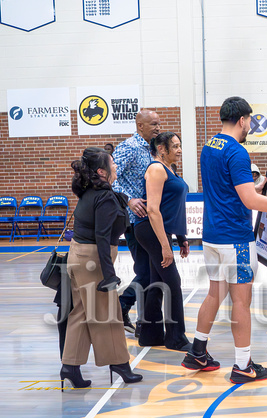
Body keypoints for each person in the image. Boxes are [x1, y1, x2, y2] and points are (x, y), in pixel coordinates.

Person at [181, 97, 267, 384]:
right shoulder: (237, 152)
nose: (251, 125)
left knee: (215, 293)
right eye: (250, 120)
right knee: (241, 301)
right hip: (235, 238)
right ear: (242, 120)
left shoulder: (209, 145)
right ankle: (243, 366)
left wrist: (264, 183)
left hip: (212, 236)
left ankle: (197, 352)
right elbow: (249, 200)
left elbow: (231, 188)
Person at [60, 147, 142, 388]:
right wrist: (110, 276)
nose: (116, 166)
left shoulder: (90, 192)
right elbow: (103, 238)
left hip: (78, 256)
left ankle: (70, 366)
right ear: (101, 171)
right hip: (93, 260)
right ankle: (119, 363)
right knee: (107, 314)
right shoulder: (104, 197)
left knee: (81, 313)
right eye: (113, 163)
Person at [134, 132, 191, 351]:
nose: (179, 150)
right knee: (173, 282)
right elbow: (153, 210)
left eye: (180, 145)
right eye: (174, 146)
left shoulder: (170, 169)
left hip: (162, 231)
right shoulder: (156, 169)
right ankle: (176, 338)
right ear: (161, 148)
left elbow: (172, 208)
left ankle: (150, 335)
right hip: (151, 230)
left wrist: (181, 238)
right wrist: (166, 247)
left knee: (157, 283)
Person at [112, 109, 161, 334]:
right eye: (153, 124)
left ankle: (140, 318)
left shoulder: (152, 150)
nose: (157, 127)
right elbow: (110, 180)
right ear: (139, 126)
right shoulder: (128, 148)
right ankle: (122, 308)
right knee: (145, 271)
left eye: (158, 123)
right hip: (135, 220)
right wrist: (129, 200)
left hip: (151, 219)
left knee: (149, 271)